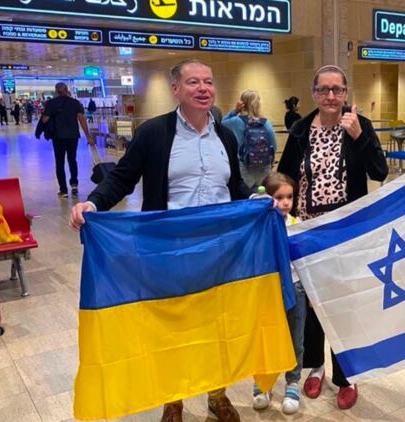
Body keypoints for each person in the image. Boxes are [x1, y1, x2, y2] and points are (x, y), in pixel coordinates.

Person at [69, 59, 251, 422]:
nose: (203, 88)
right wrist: (93, 202)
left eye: (208, 81)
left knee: (217, 325)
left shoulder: (226, 136)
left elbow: (234, 187)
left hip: (219, 249)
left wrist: (259, 201)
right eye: (193, 82)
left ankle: (217, 395)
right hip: (171, 250)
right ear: (176, 89)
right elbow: (122, 178)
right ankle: (173, 399)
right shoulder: (154, 133)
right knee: (174, 326)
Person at [277, 64, 388, 410]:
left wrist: (359, 137)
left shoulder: (359, 124)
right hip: (308, 232)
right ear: (314, 93)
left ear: (345, 92)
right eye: (323, 89)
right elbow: (285, 176)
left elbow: (380, 171)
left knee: (344, 304)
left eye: (337, 89)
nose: (330, 96)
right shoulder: (300, 130)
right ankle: (316, 366)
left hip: (345, 233)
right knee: (311, 304)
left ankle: (346, 374)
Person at [251, 172, 305, 415]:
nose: (285, 202)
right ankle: (264, 382)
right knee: (265, 337)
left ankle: (293, 383)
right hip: (267, 291)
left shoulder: (297, 224)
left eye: (289, 197)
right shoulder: (258, 227)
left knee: (295, 339)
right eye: (279, 197)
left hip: (295, 288)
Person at [38, 83, 93, 198]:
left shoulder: (51, 103)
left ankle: (63, 190)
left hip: (58, 136)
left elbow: (45, 119)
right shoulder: (75, 103)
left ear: (56, 91)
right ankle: (74, 185)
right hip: (73, 136)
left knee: (60, 162)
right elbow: (81, 119)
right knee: (72, 160)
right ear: (67, 90)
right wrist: (88, 135)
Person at [222, 90, 278, 189]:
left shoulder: (236, 121)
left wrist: (235, 111)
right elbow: (274, 146)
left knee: (245, 195)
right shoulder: (266, 123)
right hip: (264, 168)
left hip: (244, 167)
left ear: (242, 104)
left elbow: (221, 123)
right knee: (263, 195)